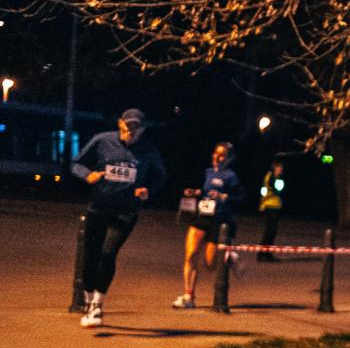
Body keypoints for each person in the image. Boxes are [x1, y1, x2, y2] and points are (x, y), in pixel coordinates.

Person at [71, 108, 166, 328]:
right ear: (120, 124)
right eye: (128, 126)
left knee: (108, 254)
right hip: (98, 207)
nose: (131, 131)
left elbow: (161, 175)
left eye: (136, 127)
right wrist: (87, 175)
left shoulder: (149, 150)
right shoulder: (102, 141)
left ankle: (97, 304)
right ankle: (88, 299)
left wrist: (148, 190)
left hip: (126, 211)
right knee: (90, 256)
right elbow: (76, 163)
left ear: (142, 129)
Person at [173, 142, 244, 308]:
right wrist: (195, 192)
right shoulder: (208, 172)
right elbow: (205, 191)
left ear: (228, 158)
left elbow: (242, 198)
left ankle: (229, 257)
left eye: (221, 155)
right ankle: (188, 296)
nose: (216, 157)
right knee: (190, 255)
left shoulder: (231, 176)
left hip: (218, 220)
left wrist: (224, 197)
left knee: (210, 264)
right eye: (215, 153)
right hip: (201, 217)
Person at [256, 161, 285, 261]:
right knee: (269, 230)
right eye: (278, 168)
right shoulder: (270, 176)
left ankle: (268, 254)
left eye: (281, 169)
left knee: (273, 231)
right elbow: (275, 188)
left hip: (275, 206)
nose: (280, 170)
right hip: (269, 206)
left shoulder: (277, 178)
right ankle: (261, 254)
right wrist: (278, 180)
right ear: (274, 168)